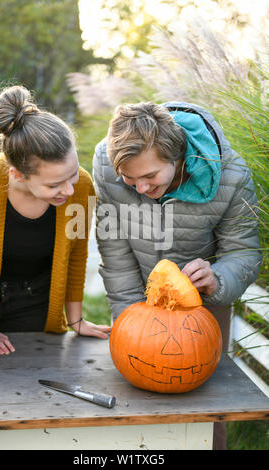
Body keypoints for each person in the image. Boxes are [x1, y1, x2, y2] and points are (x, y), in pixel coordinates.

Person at [92, 101, 262, 449]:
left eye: (150, 177)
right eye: (129, 179)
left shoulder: (231, 175)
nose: (140, 188)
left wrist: (217, 279)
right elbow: (115, 246)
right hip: (138, 295)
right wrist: (129, 323)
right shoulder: (105, 164)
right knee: (133, 394)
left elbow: (243, 251)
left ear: (179, 156)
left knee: (205, 404)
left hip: (203, 302)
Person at [0, 85, 111, 355]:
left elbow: (77, 256)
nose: (69, 190)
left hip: (41, 311)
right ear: (18, 174)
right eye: (55, 184)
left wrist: (76, 320)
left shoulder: (81, 186)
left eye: (71, 174)